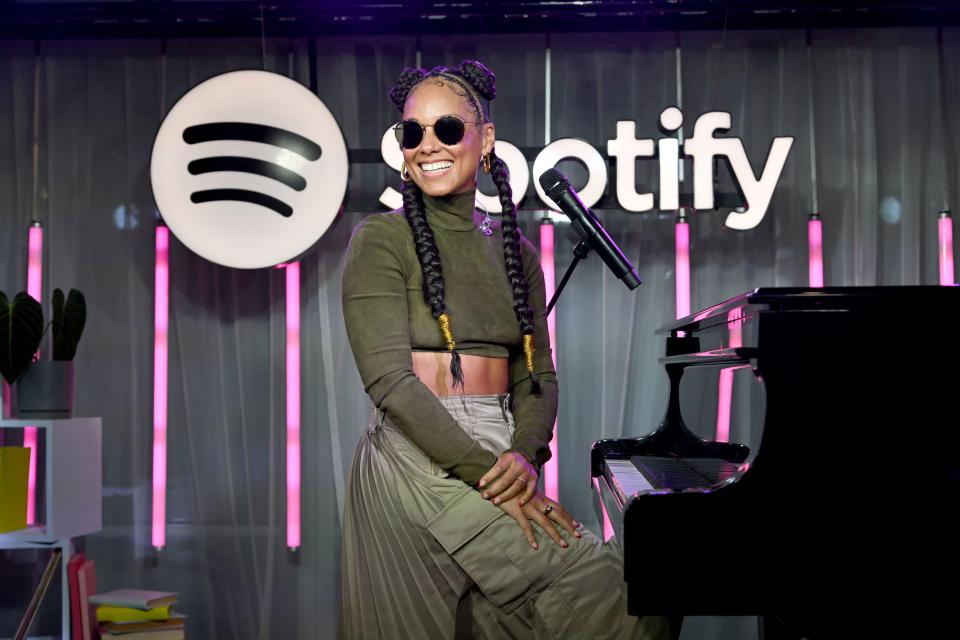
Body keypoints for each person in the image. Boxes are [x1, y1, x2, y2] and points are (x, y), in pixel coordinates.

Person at [339, 59, 667, 640]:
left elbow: (537, 375)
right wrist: (494, 472)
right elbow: (391, 383)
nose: (427, 146)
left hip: (500, 447)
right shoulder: (379, 239)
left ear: (485, 139)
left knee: (616, 598)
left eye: (447, 128)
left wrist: (524, 455)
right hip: (414, 459)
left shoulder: (515, 252)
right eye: (411, 133)